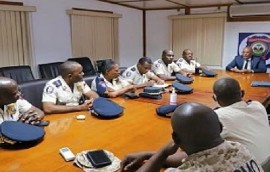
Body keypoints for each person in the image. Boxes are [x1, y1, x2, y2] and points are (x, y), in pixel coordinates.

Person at [121, 102, 263, 172]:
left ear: (175, 140)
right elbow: (201, 157)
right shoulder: (239, 149)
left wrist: (163, 152)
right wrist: (149, 154)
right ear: (220, 127)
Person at [213, 77, 270, 164]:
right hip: (267, 159)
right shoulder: (258, 105)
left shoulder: (219, 116)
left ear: (215, 98)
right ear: (242, 93)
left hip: (253, 167)